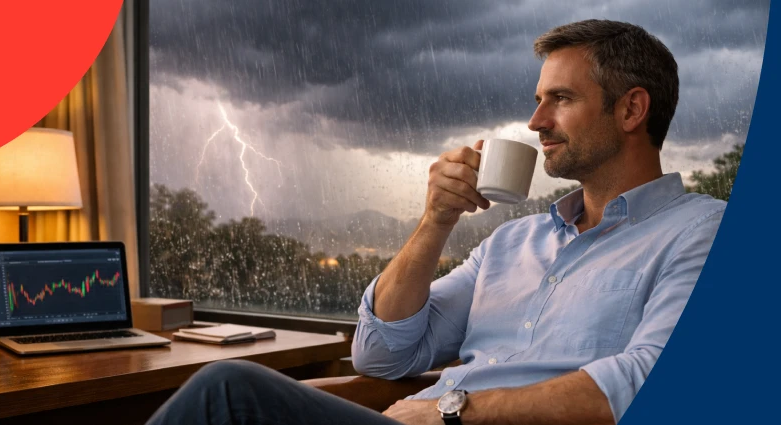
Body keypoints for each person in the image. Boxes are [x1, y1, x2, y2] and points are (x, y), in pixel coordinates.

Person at [146, 19, 725, 425]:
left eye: (561, 99)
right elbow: (381, 354)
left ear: (631, 109)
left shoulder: (703, 233)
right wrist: (436, 220)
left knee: (228, 391)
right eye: (537, 100)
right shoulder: (511, 243)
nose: (535, 121)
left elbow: (652, 379)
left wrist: (452, 410)